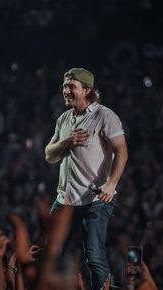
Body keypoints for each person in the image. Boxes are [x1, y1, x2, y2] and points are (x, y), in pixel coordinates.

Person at [45, 67, 128, 290]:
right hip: (66, 200)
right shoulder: (64, 119)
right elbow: (49, 155)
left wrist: (111, 184)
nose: (65, 91)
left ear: (87, 90)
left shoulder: (105, 116)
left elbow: (122, 151)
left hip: (96, 199)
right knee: (49, 253)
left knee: (94, 254)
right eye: (64, 86)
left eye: (71, 86)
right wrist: (66, 142)